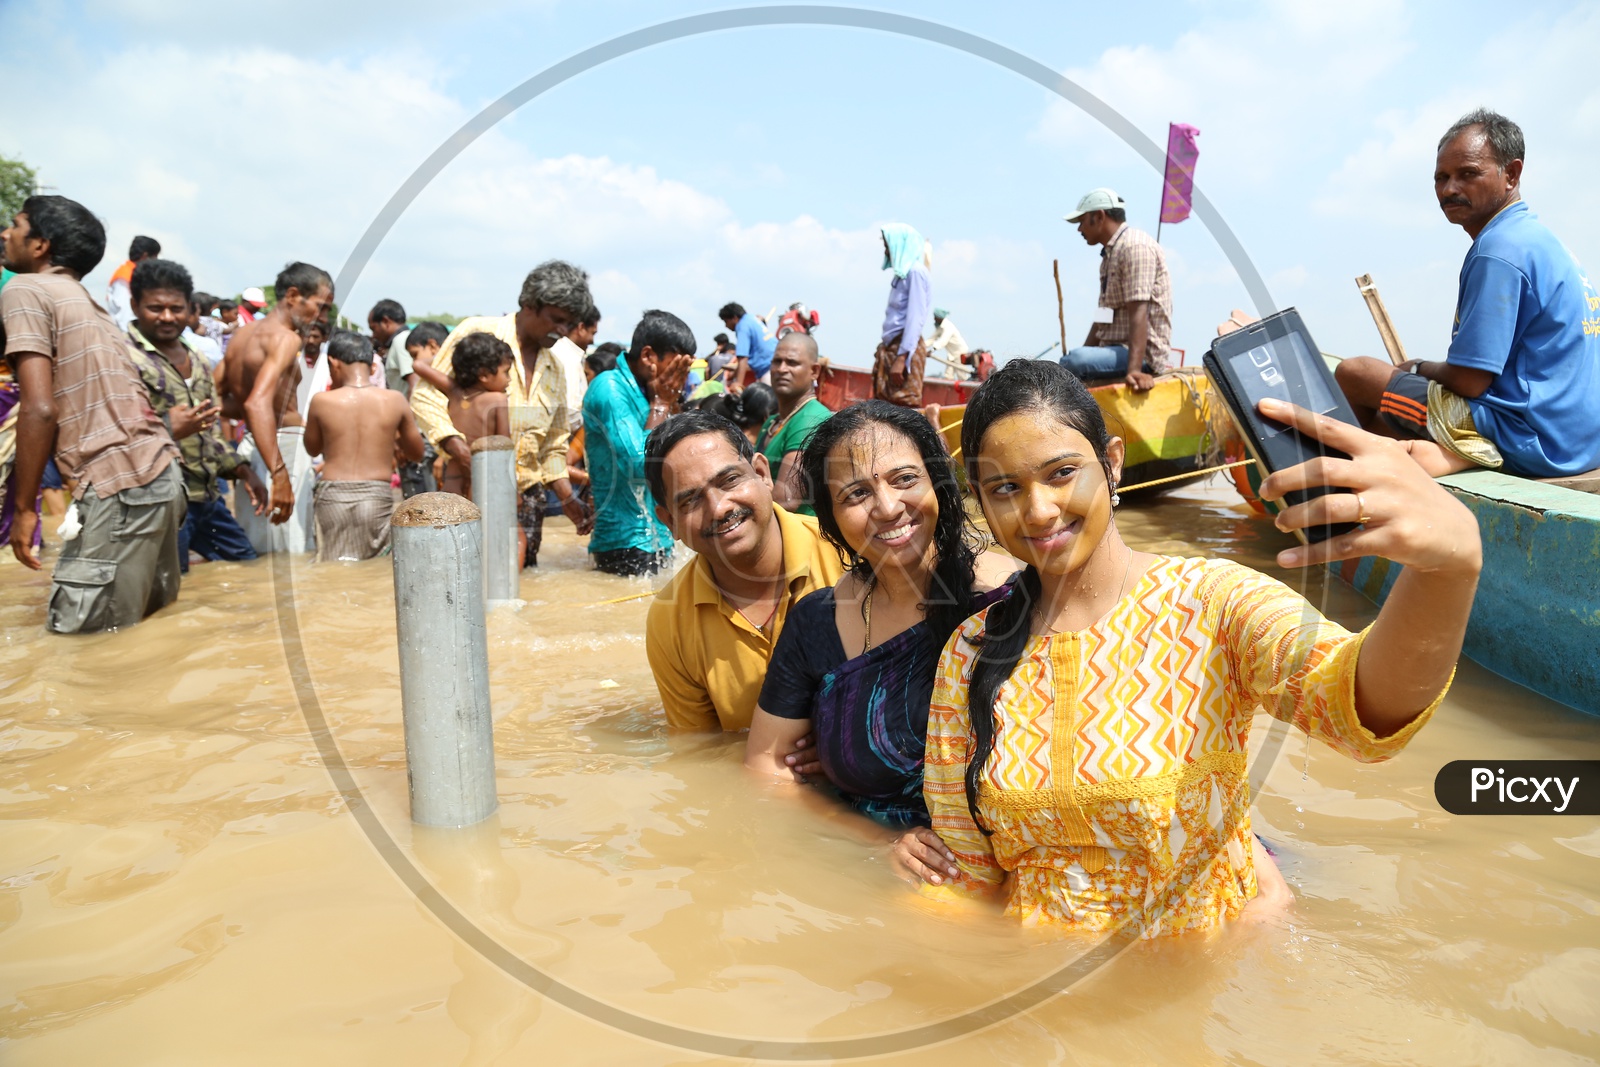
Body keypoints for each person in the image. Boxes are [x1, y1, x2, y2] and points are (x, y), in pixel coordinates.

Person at [920, 359, 1481, 935]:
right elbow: (970, 875)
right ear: (980, 501)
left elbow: (1358, 708)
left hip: (1202, 990)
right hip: (1039, 996)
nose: (1038, 510)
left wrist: (1447, 571)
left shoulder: (1212, 602)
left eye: (1062, 473)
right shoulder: (971, 650)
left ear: (1111, 463)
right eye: (1006, 488)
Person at [744, 401, 1013, 849]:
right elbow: (765, 771)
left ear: (938, 484)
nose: (888, 507)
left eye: (905, 479)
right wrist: (875, 845)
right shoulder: (817, 622)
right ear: (829, 519)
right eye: (856, 494)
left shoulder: (1016, 599)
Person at [1333, 110, 1600, 480]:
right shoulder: (1539, 239)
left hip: (1530, 439)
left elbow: (1471, 380)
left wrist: (1417, 368)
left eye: (1468, 174)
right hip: (1579, 441)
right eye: (1441, 178)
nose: (1449, 189)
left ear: (1512, 174)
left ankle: (1336, 500)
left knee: (1356, 373)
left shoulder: (1498, 251)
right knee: (1385, 417)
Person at [1, 195, 184, 632]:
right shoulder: (91, 307)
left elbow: (40, 409)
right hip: (161, 475)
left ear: (41, 244)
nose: (5, 233)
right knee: (139, 628)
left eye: (15, 224)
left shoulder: (24, 289)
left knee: (83, 645)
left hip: (118, 486)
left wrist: (24, 509)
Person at [643, 410, 845, 731]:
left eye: (729, 480)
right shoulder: (669, 622)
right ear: (670, 523)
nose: (719, 508)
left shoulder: (847, 551)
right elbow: (700, 754)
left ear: (763, 474)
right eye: (691, 500)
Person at [409, 260, 594, 568]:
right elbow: (426, 397)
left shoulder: (558, 369)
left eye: (570, 324)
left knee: (517, 591)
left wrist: (567, 499)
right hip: (470, 490)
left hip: (526, 498)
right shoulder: (478, 334)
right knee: (463, 578)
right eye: (557, 319)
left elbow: (551, 448)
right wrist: (460, 448)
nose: (563, 331)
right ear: (529, 305)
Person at [124, 258, 265, 572]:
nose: (166, 317)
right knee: (169, 586)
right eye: (155, 308)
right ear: (135, 305)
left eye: (175, 308)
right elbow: (112, 435)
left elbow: (211, 432)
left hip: (205, 496)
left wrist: (243, 471)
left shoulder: (198, 359)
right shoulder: (122, 357)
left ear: (189, 309)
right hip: (158, 499)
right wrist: (167, 428)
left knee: (248, 568)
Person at [218, 261, 335, 554]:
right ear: (294, 296)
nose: (322, 317)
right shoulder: (286, 338)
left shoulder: (240, 338)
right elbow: (257, 402)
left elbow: (214, 399)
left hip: (253, 443)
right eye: (321, 306)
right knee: (295, 551)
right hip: (284, 450)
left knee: (258, 547)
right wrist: (279, 473)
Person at [583, 310, 694, 577]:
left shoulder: (649, 390)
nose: (681, 376)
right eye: (677, 366)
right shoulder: (610, 389)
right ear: (648, 356)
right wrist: (661, 405)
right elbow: (638, 467)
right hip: (625, 544)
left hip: (660, 538)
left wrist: (672, 403)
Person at [303, 331, 423, 562]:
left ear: (332, 363)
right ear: (373, 367)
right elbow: (416, 453)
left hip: (333, 497)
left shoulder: (321, 401)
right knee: (376, 568)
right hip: (376, 496)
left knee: (333, 567)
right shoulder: (395, 400)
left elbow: (313, 448)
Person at [1059, 188, 1172, 392]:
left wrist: (1134, 370)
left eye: (1082, 221)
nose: (1079, 229)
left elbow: (1139, 311)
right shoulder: (1110, 254)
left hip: (1141, 355)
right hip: (1114, 350)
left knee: (1074, 362)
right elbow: (1103, 316)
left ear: (1099, 217)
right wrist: (1079, 355)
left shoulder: (1134, 247)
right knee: (1069, 364)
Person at [409, 331, 514, 497]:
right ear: (485, 375)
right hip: (483, 479)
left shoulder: (454, 392)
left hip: (452, 479)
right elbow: (504, 448)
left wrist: (458, 360)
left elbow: (418, 365)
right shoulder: (498, 400)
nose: (509, 379)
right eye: (506, 372)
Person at [755, 332, 832, 515]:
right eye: (777, 361)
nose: (782, 369)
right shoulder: (772, 422)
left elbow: (786, 499)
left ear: (814, 371)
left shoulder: (811, 418)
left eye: (792, 363)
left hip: (802, 537)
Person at [873, 224, 932, 408]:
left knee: (904, 407)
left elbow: (916, 318)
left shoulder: (916, 272)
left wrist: (902, 358)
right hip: (893, 347)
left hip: (903, 350)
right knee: (886, 406)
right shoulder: (902, 275)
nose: (885, 249)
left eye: (888, 244)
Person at [398, 321, 449, 497]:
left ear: (433, 346)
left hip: (446, 453)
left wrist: (443, 456)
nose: (414, 362)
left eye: (415, 354)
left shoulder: (452, 375)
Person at [106, 235, 160, 331]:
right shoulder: (125, 275)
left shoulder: (135, 274)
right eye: (155, 257)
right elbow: (124, 314)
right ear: (145, 256)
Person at [718, 301, 776, 391]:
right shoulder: (752, 319)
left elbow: (743, 358)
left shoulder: (742, 326)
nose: (726, 326)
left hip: (768, 369)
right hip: (775, 362)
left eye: (726, 321)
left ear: (734, 318)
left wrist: (738, 384)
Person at [368, 298, 412, 396]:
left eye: (373, 329)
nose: (373, 335)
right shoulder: (401, 341)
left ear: (386, 322)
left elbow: (414, 382)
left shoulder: (401, 341)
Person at [926, 308, 969, 376]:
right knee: (948, 375)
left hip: (959, 353)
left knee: (961, 375)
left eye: (935, 317)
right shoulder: (940, 328)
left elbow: (943, 340)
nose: (934, 319)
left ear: (939, 317)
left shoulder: (948, 327)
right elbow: (931, 339)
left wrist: (931, 350)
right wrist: (921, 347)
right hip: (951, 354)